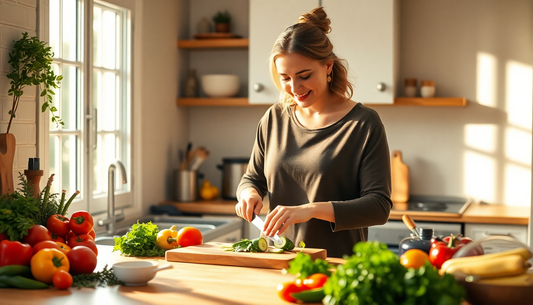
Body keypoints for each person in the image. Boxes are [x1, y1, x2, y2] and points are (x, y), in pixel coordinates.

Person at [235, 7, 392, 258]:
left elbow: (379, 206)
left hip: (338, 267)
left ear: (328, 67)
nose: (294, 88)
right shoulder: (274, 118)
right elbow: (252, 179)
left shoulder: (363, 124)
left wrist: (310, 209)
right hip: (279, 261)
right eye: (285, 77)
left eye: (304, 76)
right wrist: (248, 194)